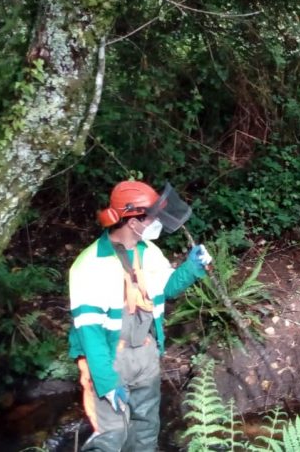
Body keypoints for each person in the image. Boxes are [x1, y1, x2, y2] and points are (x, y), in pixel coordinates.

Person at [67, 180, 212, 451]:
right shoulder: (88, 265)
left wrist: (192, 267)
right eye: (152, 216)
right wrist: (106, 382)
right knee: (110, 436)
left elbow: (166, 289)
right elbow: (90, 333)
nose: (157, 221)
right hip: (109, 359)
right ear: (133, 222)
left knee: (145, 430)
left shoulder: (150, 252)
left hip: (144, 353)